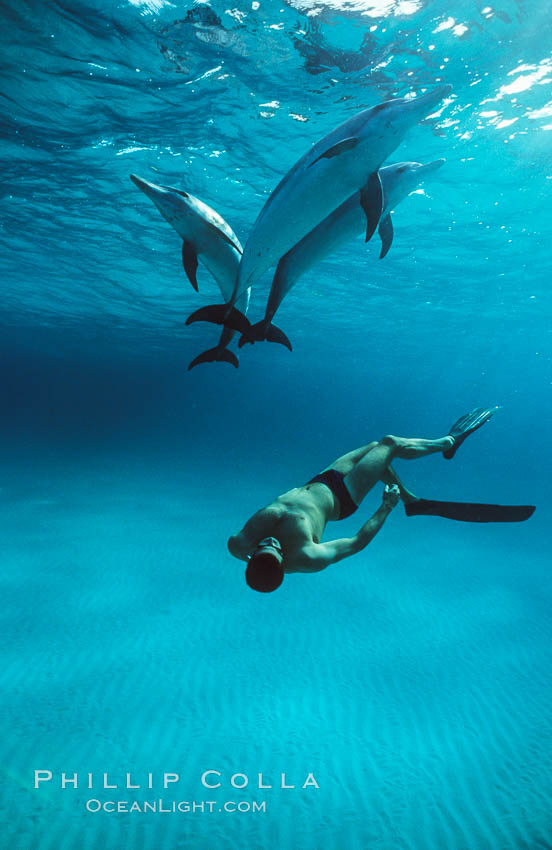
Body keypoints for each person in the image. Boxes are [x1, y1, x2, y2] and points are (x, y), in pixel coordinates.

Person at [227, 408, 498, 592]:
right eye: (276, 549)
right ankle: (449, 442)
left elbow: (250, 551)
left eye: (264, 545)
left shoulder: (240, 544)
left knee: (373, 449)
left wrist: (261, 551)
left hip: (320, 480)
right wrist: (385, 508)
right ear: (283, 563)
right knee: (389, 443)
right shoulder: (307, 557)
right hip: (342, 497)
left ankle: (411, 501)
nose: (271, 542)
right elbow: (356, 543)